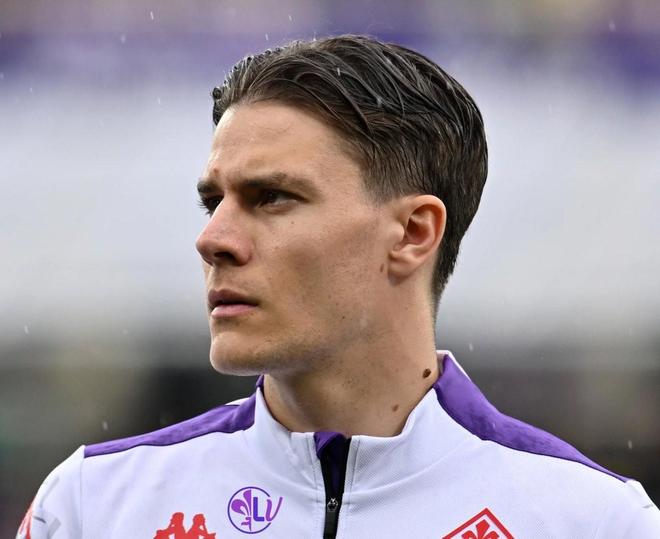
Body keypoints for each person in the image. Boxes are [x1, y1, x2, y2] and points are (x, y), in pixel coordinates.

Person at [17, 34, 660, 538]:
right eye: (213, 202)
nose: (213, 239)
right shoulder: (94, 504)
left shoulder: (591, 520)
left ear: (412, 233)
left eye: (271, 197)